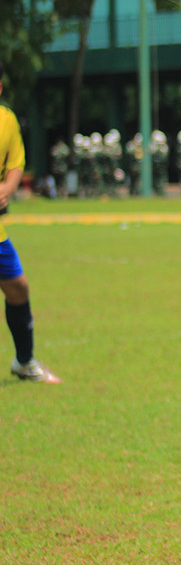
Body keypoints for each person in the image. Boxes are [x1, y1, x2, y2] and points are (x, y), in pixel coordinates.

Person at [0, 62, 61, 383]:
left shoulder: (7, 120)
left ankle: (24, 363)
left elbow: (15, 164)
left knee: (18, 288)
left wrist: (8, 189)